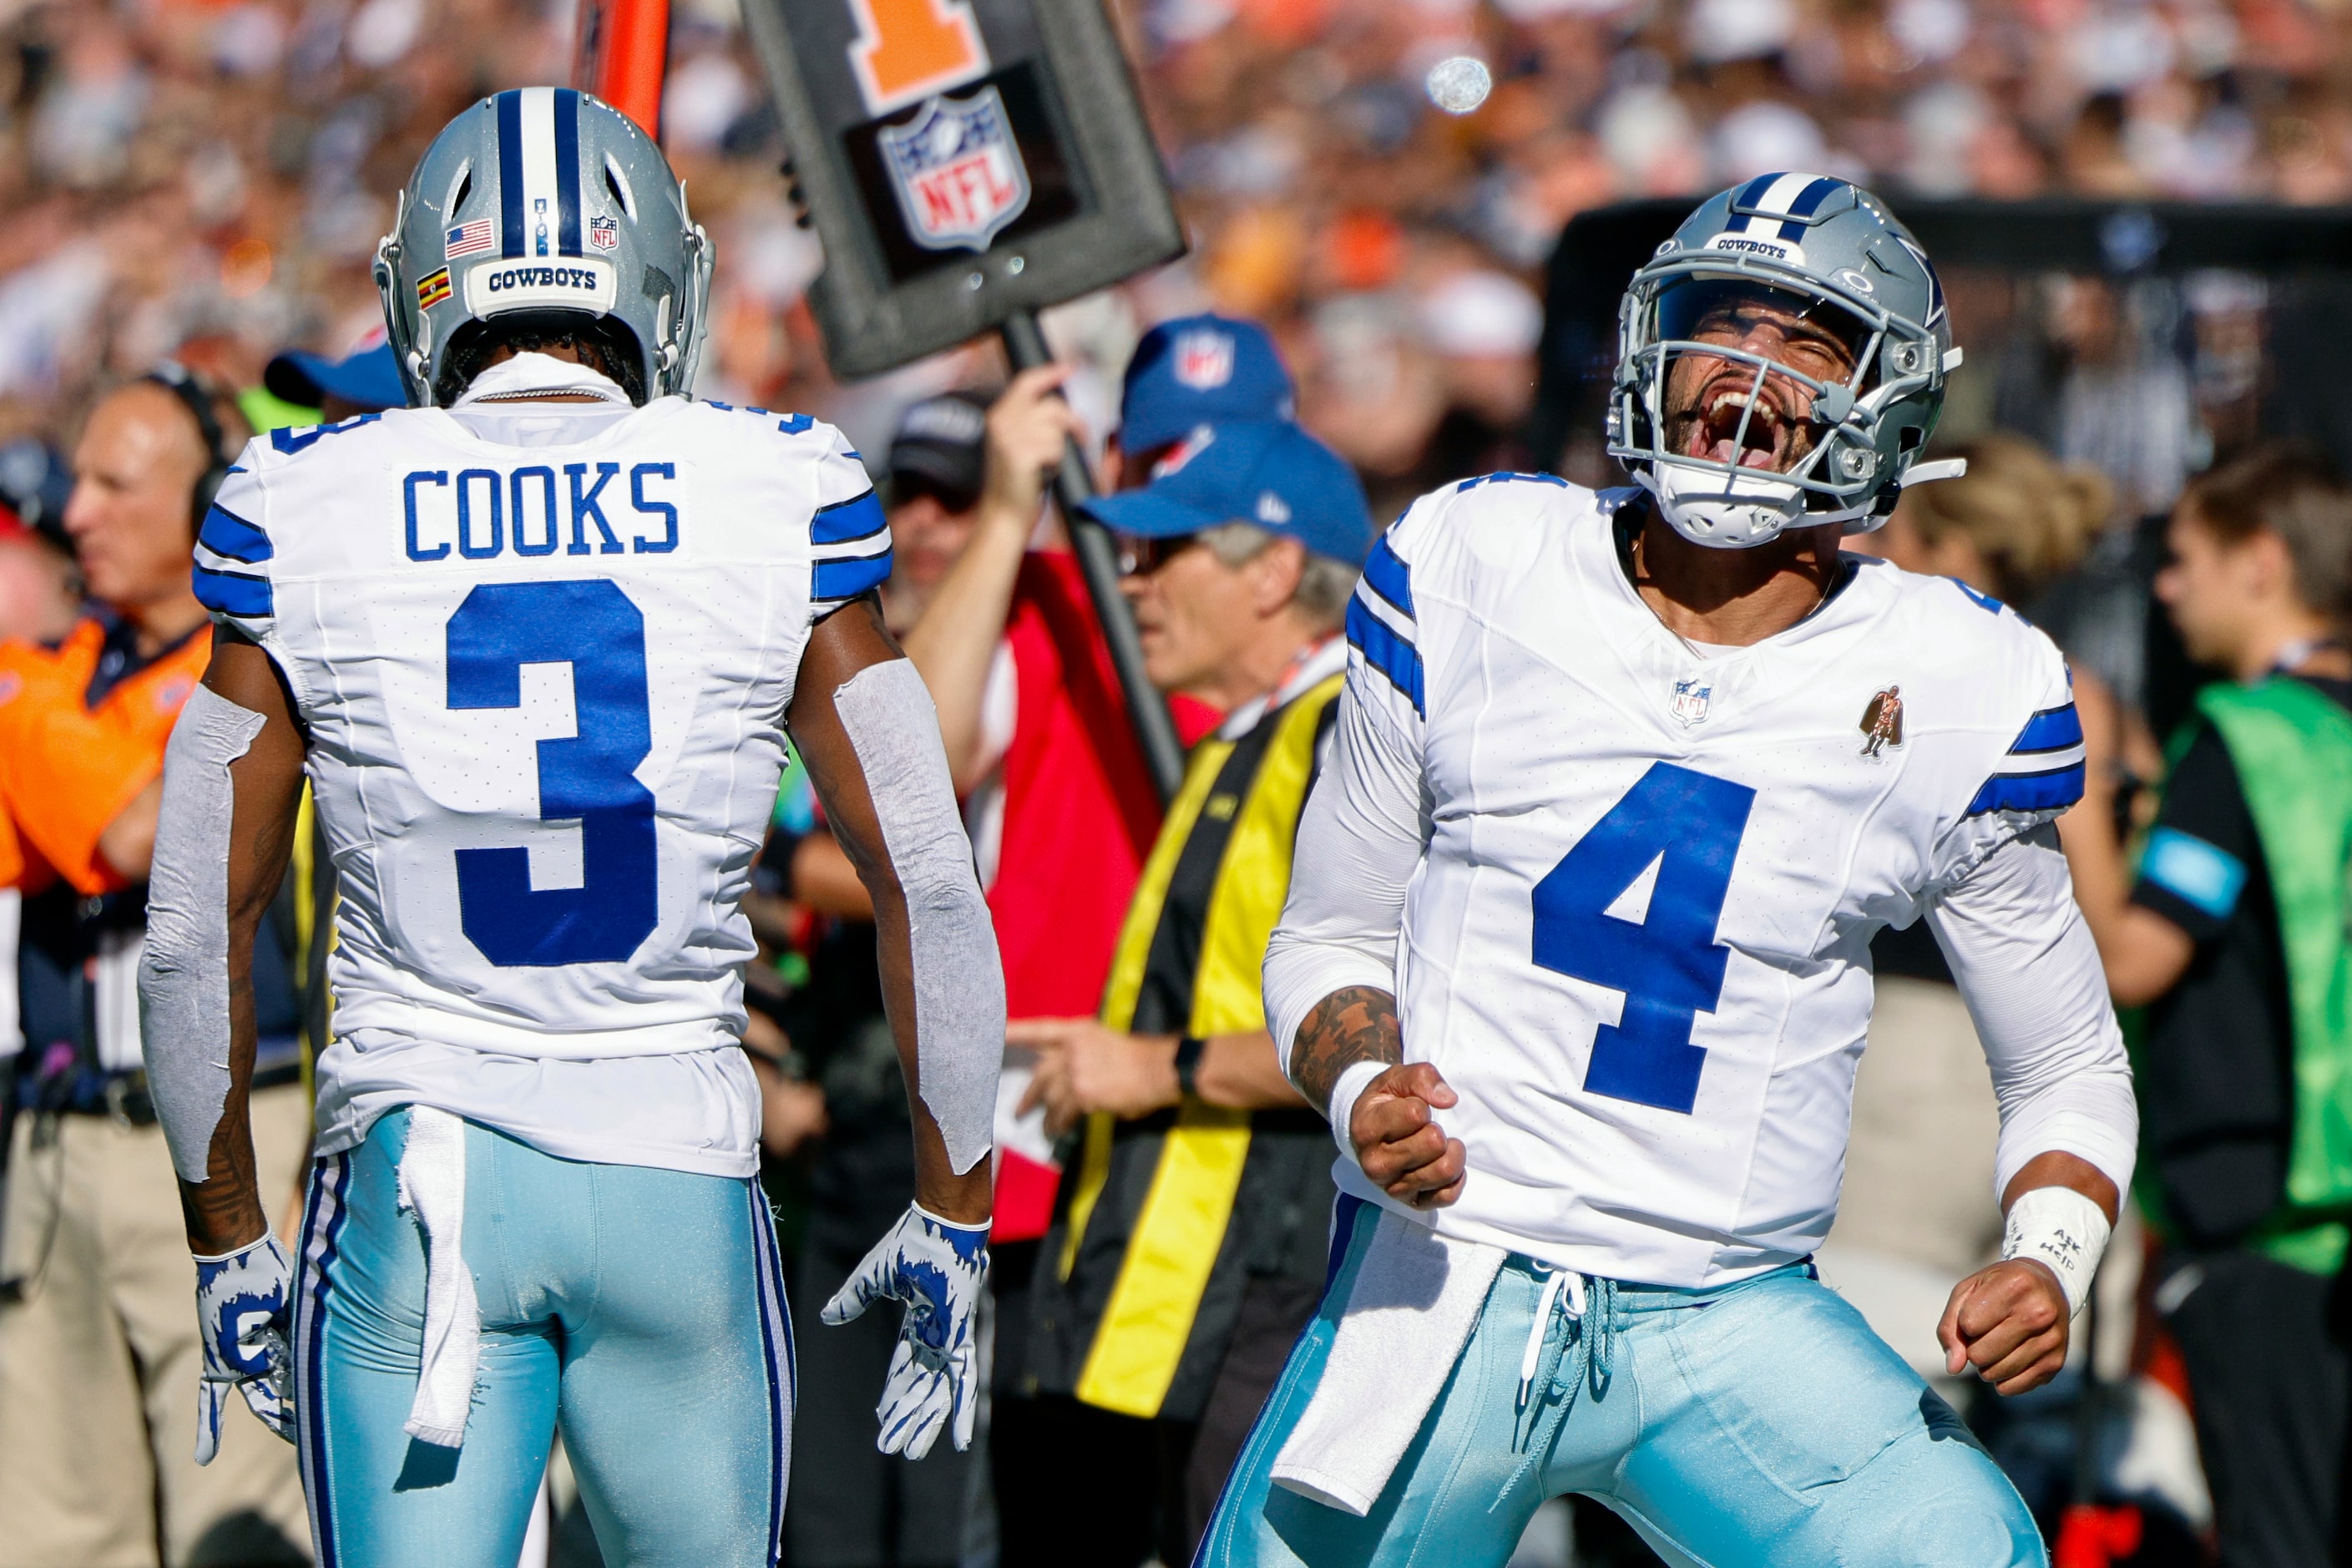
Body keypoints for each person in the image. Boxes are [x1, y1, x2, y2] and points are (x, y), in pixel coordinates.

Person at [1205, 175, 2139, 1566]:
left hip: (1729, 1309)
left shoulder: (1957, 678)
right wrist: (1355, 1083)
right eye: (1719, 322)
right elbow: (1326, 937)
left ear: (1884, 401)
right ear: (1651, 344)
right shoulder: (1477, 561)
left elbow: (2066, 1060)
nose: (1743, 373)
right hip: (1450, 1271)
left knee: (1965, 1548)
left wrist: (2047, 1250)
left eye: (1809, 340)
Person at [131, 89, 1003, 1567]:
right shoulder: (771, 485)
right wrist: (956, 1203)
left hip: (422, 1172)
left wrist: (223, 1229)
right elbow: (927, 867)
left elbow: (188, 921)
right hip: (679, 1168)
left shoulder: (305, 502)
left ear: (423, 293)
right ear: (657, 283)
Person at [900, 313, 1296, 1520]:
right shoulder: (1055, 589)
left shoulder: (1326, 653)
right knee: (1027, 1514)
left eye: (1216, 463)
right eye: (1160, 459)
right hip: (1048, 1142)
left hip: (1241, 1147)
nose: (1184, 493)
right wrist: (1011, 513)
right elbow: (913, 760)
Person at [999, 419, 1372, 1567]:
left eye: (1165, 553)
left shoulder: (1345, 735)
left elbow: (1395, 1024)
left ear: (1271, 570)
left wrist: (1152, 1068)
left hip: (1273, 1271)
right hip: (1172, 1274)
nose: (1133, 580)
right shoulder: (1246, 733)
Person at [0, 365, 316, 1568]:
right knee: (49, 1531)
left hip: (228, 1139)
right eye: (76, 479)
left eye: (112, 484)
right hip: (56, 1142)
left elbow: (132, 828)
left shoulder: (267, 667)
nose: (75, 512)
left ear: (204, 508)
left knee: (240, 1523)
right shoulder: (50, 674)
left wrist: (36, 724)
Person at [2059, 444, 2352, 1568]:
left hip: (2262, 1215)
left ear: (2263, 564)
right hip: (2336, 1221)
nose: (2165, 587)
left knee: (2278, 1539)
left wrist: (2081, 805)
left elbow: (2136, 954)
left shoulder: (2242, 741)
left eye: (2183, 560)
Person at [774, 390, 995, 1568]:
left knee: (942, 1530)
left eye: (955, 500)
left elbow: (930, 849)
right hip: (842, 1129)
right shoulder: (819, 654)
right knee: (826, 1524)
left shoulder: (1022, 651)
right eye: (901, 495)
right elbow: (776, 874)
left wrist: (822, 869)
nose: (921, 524)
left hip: (967, 1150)